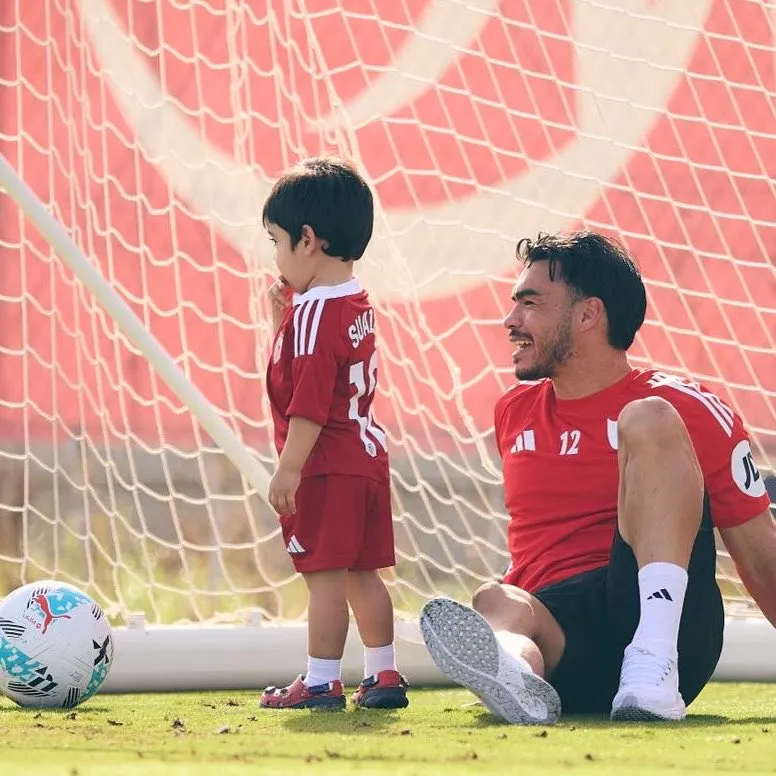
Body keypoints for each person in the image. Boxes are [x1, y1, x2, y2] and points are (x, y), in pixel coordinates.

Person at [420, 231, 775, 723]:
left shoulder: (687, 408)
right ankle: (517, 673)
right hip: (566, 641)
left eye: (530, 303)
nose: (511, 320)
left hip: (665, 629)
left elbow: (761, 559)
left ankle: (650, 664)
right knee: (495, 599)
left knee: (648, 416)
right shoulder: (513, 412)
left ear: (588, 314)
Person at [259, 156, 408, 710]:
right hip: (365, 458)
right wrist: (282, 318)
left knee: (323, 577)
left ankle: (321, 681)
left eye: (277, 242)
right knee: (363, 574)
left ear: (307, 240)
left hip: (326, 463)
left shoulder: (314, 316)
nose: (276, 257)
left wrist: (288, 468)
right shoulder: (353, 301)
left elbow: (310, 403)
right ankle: (383, 674)